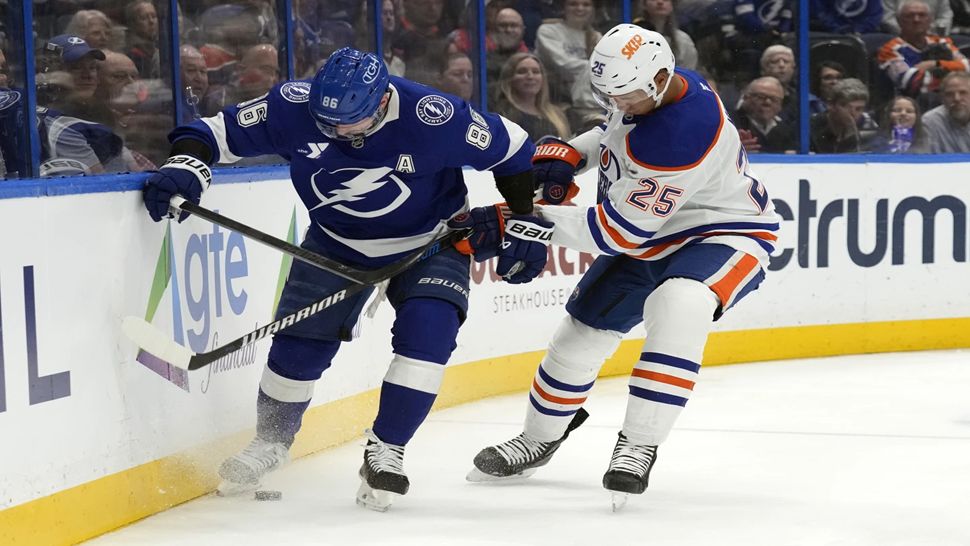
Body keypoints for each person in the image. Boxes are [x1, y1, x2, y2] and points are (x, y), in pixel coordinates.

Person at [139, 47, 550, 511]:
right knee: (298, 349)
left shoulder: (434, 116)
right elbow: (211, 133)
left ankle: (387, 449)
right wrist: (187, 164)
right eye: (326, 122)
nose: (336, 133)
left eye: (349, 123)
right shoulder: (293, 106)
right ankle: (271, 441)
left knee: (428, 336)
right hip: (335, 243)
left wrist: (523, 218)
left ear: (381, 101)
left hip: (431, 242)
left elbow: (514, 148)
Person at [468, 25, 779, 505]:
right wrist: (575, 152)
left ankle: (638, 445)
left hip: (723, 233)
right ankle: (539, 438)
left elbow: (616, 234)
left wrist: (523, 220)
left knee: (680, 304)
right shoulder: (654, 86)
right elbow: (616, 128)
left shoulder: (682, 135)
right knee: (577, 339)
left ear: (660, 78)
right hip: (653, 234)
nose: (618, 102)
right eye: (610, 94)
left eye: (626, 94)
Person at [877, 0, 970, 109]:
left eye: (922, 15)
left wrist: (935, 64)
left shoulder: (942, 42)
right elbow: (913, 83)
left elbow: (967, 67)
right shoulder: (889, 50)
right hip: (912, 106)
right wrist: (954, 73)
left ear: (930, 20)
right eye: (910, 16)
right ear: (899, 21)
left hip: (951, 100)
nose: (916, 20)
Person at [492, 52, 571, 140]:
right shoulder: (502, 114)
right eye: (522, 71)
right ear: (510, 78)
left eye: (536, 72)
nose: (530, 76)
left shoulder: (557, 114)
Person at [809, 78, 881, 153]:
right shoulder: (810, 128)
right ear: (830, 105)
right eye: (846, 107)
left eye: (858, 109)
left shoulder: (869, 126)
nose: (853, 113)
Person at [733, 76, 797, 153]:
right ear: (746, 97)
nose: (767, 102)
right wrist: (735, 152)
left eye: (774, 99)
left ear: (781, 105)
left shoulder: (788, 130)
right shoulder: (729, 124)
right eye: (761, 97)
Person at [633, 0, 700, 70]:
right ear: (644, 4)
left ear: (672, 5)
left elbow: (688, 70)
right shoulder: (633, 35)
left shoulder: (683, 40)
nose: (660, 2)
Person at [921, 71, 970, 151]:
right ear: (942, 99)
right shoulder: (930, 122)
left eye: (963, 92)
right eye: (949, 94)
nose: (957, 98)